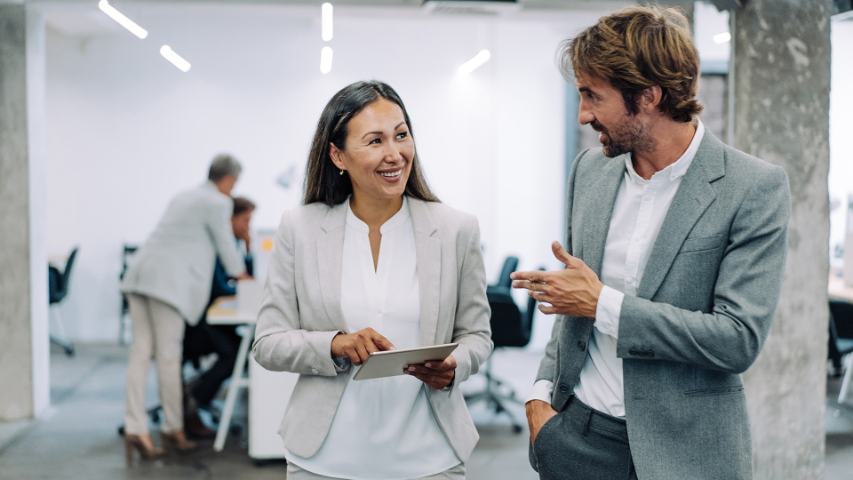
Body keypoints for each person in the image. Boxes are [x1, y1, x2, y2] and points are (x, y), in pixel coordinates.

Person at [512, 6, 790, 480]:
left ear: (648, 96)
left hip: (690, 451)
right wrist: (540, 400)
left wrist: (603, 304)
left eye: (592, 96)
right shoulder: (590, 171)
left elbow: (737, 339)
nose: (583, 114)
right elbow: (572, 305)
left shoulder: (752, 188)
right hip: (579, 438)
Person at [252, 80, 492, 480]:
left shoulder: (455, 230)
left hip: (429, 458)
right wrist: (334, 344)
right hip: (324, 461)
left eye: (401, 135)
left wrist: (455, 365)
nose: (394, 154)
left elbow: (477, 337)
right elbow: (268, 342)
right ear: (337, 155)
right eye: (375, 141)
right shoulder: (301, 228)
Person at [120, 154, 249, 463]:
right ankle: (173, 427)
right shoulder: (217, 202)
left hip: (140, 275)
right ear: (229, 180)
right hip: (168, 285)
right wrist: (244, 276)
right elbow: (226, 247)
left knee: (140, 353)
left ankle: (135, 427)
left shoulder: (185, 196)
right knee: (168, 356)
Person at [183, 197, 256, 438]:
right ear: (230, 220)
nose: (248, 226)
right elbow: (220, 288)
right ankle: (194, 398)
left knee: (241, 349)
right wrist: (244, 288)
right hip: (197, 323)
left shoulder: (231, 246)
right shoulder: (215, 247)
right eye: (245, 220)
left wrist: (247, 249)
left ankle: (198, 391)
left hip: (207, 319)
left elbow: (241, 275)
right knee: (235, 352)